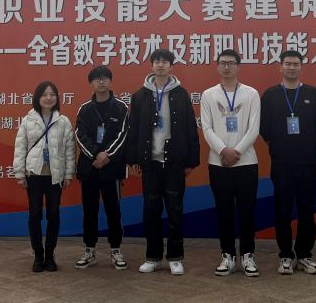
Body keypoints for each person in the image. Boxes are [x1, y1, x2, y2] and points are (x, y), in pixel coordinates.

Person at [126, 48, 200, 275]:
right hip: (150, 162)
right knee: (151, 211)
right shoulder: (140, 96)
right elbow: (133, 129)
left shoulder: (181, 94)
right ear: (151, 65)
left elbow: (190, 127)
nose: (160, 65)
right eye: (157, 61)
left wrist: (190, 160)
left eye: (165, 62)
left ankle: (175, 257)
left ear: (171, 66)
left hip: (174, 162)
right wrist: (134, 158)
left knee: (175, 210)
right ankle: (153, 257)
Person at [259, 50, 316, 275]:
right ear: (280, 67)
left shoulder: (312, 93)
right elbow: (264, 128)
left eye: (295, 64)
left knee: (307, 211)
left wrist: (304, 141)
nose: (291, 67)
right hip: (281, 162)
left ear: (301, 67)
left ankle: (305, 255)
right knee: (283, 211)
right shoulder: (270, 95)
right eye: (287, 63)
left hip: (307, 162)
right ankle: (286, 256)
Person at [200, 49, 262, 277]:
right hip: (218, 164)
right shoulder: (208, 95)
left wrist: (236, 151)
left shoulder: (251, 94)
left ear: (238, 66)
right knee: (223, 211)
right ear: (217, 66)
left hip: (246, 162)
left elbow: (254, 128)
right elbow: (206, 128)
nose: (227, 66)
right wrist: (223, 150)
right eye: (223, 63)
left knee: (247, 211)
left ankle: (247, 255)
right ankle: (227, 255)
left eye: (231, 63)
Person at [13, 81, 76, 272]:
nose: (48, 98)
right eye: (44, 94)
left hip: (55, 176)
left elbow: (70, 150)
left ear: (57, 97)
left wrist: (68, 174)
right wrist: (20, 173)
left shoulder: (63, 121)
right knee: (35, 214)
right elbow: (20, 147)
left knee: (53, 215)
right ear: (37, 97)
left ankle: (50, 255)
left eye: (52, 94)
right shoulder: (28, 120)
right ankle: (38, 255)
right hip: (34, 174)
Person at [74, 65, 130, 270]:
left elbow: (123, 135)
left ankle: (116, 250)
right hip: (89, 168)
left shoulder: (121, 108)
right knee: (89, 211)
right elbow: (79, 135)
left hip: (112, 168)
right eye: (97, 79)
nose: (101, 81)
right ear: (91, 83)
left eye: (105, 78)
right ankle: (89, 250)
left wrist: (107, 155)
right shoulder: (85, 109)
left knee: (113, 211)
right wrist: (95, 155)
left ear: (110, 81)